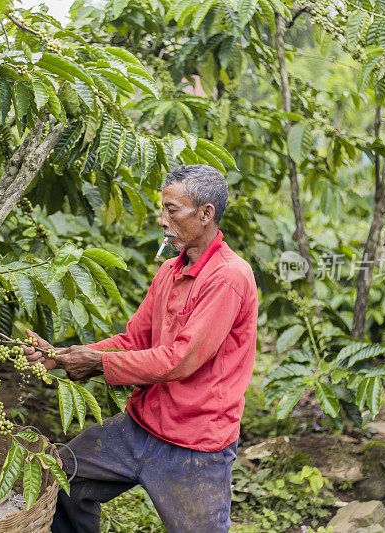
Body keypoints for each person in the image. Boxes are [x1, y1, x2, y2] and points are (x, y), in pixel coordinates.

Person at [24, 164, 258, 533]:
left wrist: (98, 363)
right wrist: (60, 356)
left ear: (206, 214)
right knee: (62, 474)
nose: (162, 219)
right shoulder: (169, 271)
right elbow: (134, 341)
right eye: (162, 209)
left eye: (172, 209)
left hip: (195, 442)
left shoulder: (229, 276)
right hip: (143, 424)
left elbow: (180, 360)